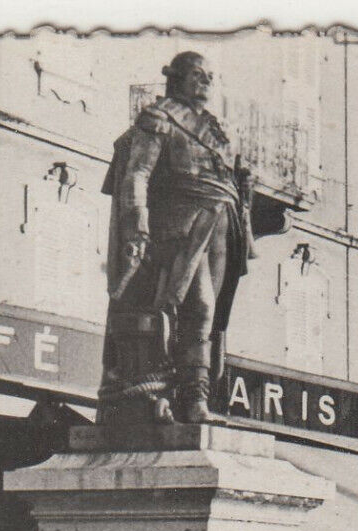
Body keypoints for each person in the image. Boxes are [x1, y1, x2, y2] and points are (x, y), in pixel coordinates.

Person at [101, 50, 253, 424]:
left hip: (222, 221)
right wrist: (137, 224)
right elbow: (137, 174)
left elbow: (233, 177)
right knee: (197, 305)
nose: (205, 82)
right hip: (180, 222)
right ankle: (183, 398)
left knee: (207, 317)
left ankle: (194, 401)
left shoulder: (220, 130)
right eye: (197, 75)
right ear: (177, 78)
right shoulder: (160, 118)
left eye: (210, 77)